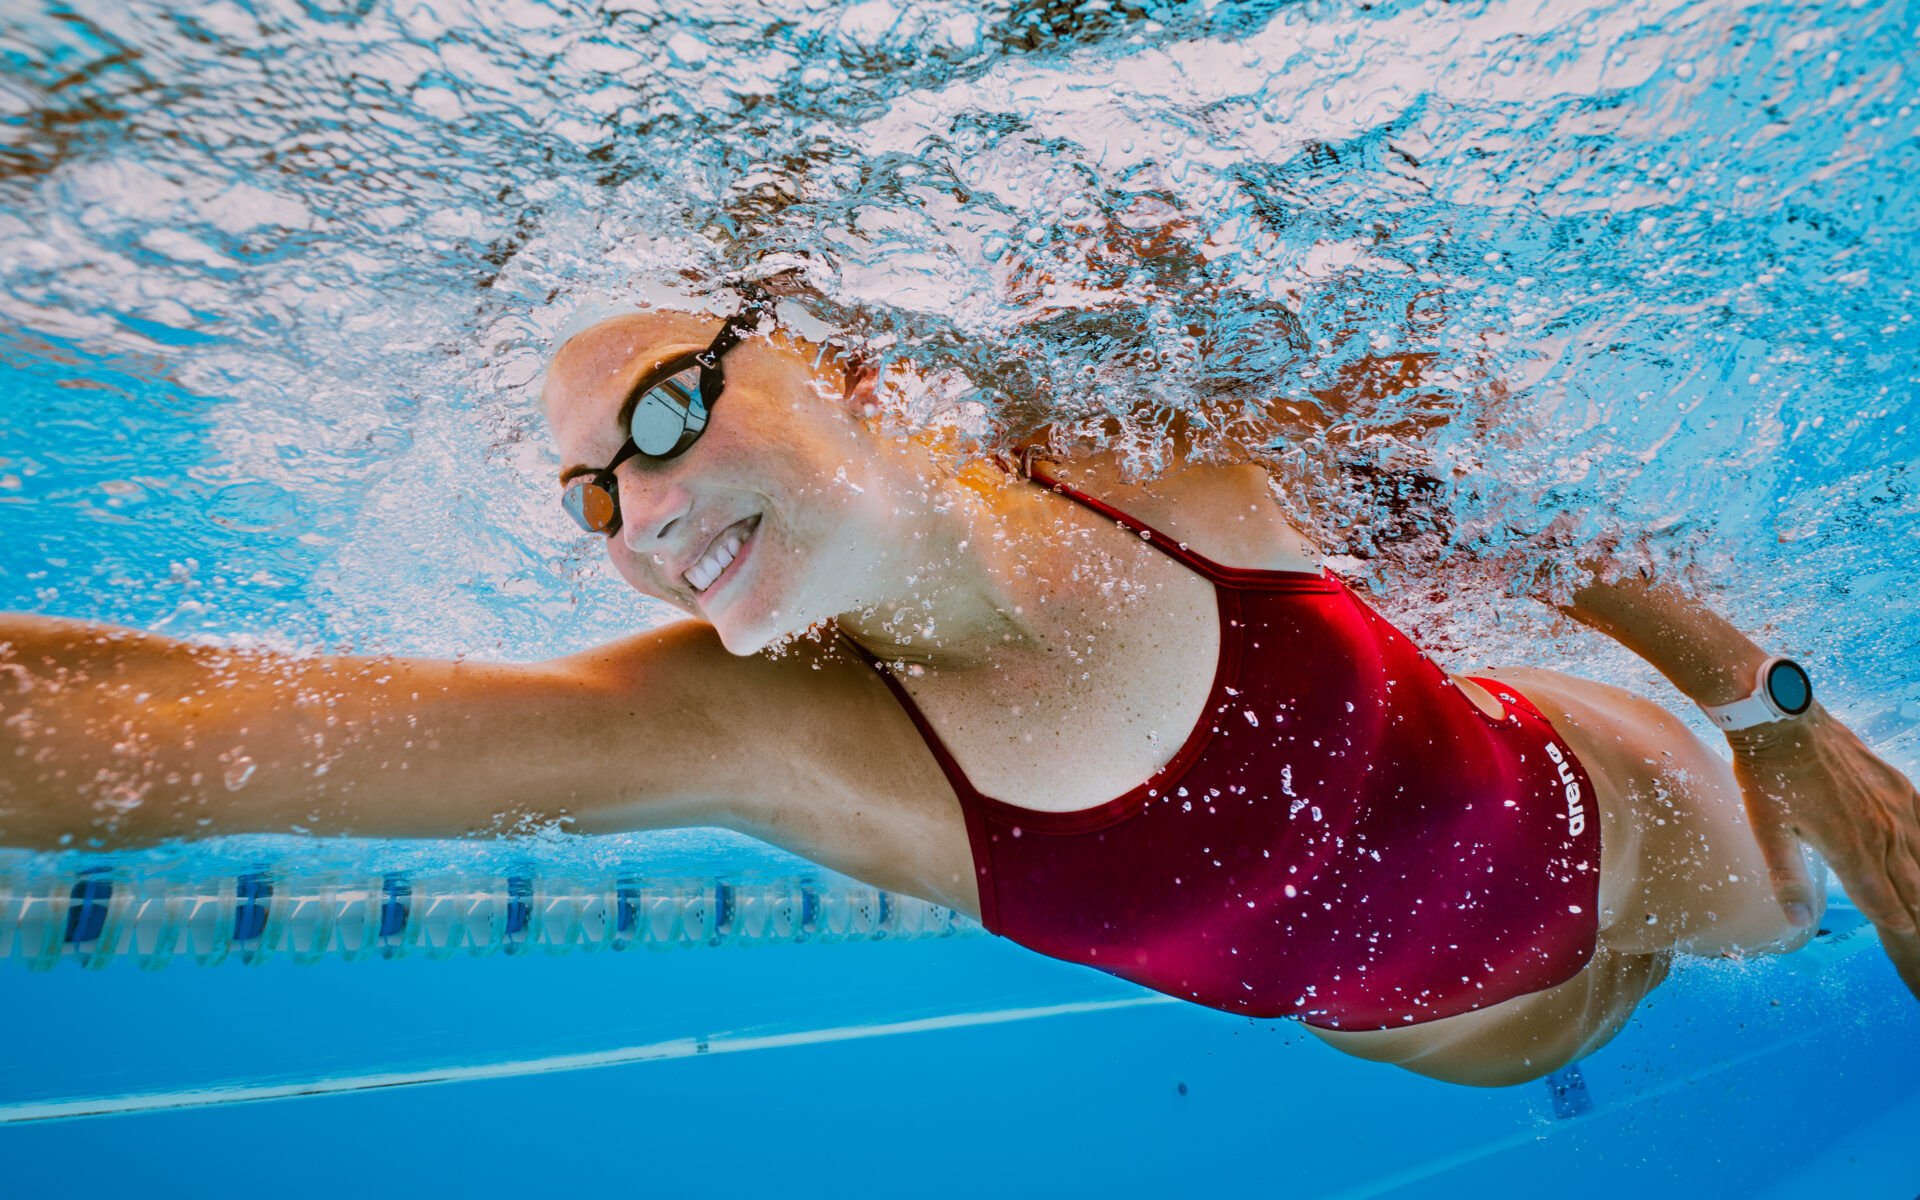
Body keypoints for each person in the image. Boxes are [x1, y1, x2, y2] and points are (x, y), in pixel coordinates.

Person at [2, 292, 1915, 1088]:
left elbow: (1527, 508)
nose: (639, 515)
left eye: (667, 410)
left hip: (1628, 812)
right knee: (1570, 1038)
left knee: (1801, 907)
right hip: (1447, 1024)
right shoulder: (773, 738)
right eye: (590, 494)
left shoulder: (1163, 447)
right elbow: (156, 739)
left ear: (842, 363)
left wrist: (1784, 716)